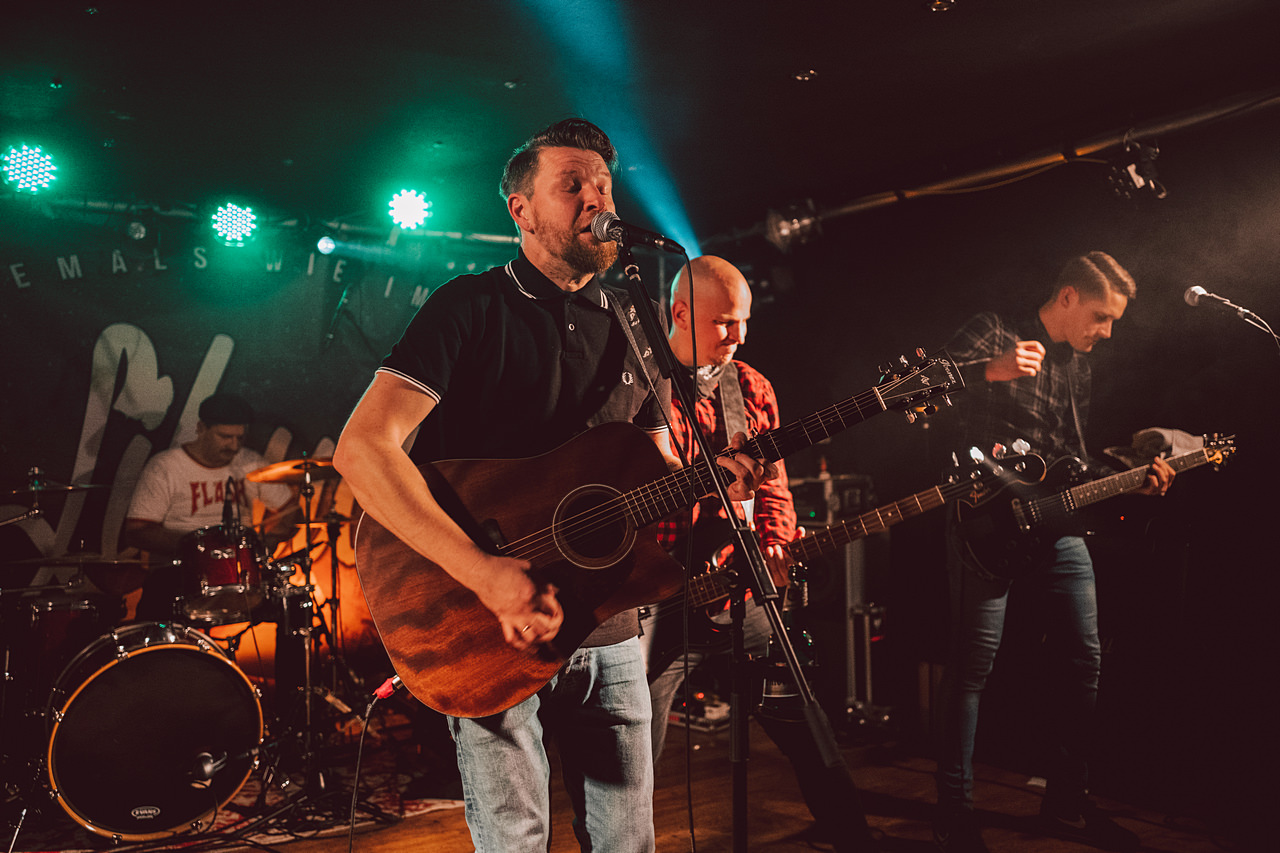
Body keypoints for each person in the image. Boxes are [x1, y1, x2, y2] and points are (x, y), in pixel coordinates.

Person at [332, 119, 775, 852]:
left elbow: (651, 465)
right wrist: (486, 575)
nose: (597, 198)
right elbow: (362, 449)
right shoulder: (469, 308)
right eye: (572, 185)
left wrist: (708, 482)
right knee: (517, 839)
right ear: (522, 210)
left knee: (628, 840)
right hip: (489, 622)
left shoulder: (632, 319)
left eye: (603, 185)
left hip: (610, 624)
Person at [932, 252, 1176, 853]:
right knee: (972, 668)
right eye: (1101, 316)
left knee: (1083, 659)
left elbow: (1070, 458)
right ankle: (955, 812)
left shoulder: (1075, 366)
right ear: (1067, 297)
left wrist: (1131, 480)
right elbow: (925, 391)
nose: (1107, 331)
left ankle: (1067, 800)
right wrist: (988, 370)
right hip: (984, 522)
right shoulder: (995, 329)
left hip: (1055, 524)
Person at [643, 255, 879, 852]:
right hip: (657, 599)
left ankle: (851, 836)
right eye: (725, 322)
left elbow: (773, 484)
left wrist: (774, 539)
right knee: (635, 750)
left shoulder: (751, 387)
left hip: (734, 584)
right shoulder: (641, 380)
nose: (739, 336)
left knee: (801, 715)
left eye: (744, 320)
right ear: (680, 313)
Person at [123, 392, 294, 621]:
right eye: (225, 437)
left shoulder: (250, 462)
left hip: (242, 571)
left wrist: (265, 542)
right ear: (201, 428)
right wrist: (199, 547)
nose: (234, 446)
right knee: (156, 609)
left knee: (293, 603)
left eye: (240, 438)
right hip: (181, 572)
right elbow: (137, 531)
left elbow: (290, 511)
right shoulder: (166, 467)